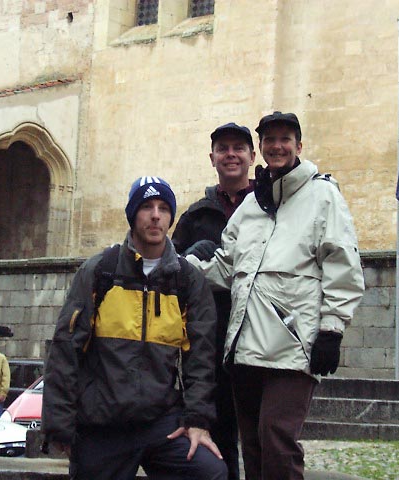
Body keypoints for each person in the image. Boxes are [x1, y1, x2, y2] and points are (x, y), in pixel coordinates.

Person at [186, 112, 365, 480]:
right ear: (262, 149)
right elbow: (226, 267)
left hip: (292, 347)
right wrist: (180, 268)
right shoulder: (252, 206)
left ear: (299, 146)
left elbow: (342, 262)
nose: (277, 146)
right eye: (270, 140)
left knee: (277, 436)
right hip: (246, 347)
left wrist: (332, 329)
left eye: (285, 139)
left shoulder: (323, 196)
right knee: (252, 445)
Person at [42, 176, 227, 480]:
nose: (156, 215)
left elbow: (200, 359)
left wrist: (197, 420)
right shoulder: (100, 270)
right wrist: (60, 425)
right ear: (132, 214)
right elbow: (65, 350)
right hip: (102, 426)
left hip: (161, 424)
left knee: (210, 473)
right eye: (146, 207)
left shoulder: (187, 280)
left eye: (164, 208)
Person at [172, 122, 256, 480]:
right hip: (212, 337)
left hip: (260, 332)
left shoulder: (269, 206)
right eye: (223, 148)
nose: (231, 154)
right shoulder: (195, 215)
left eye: (239, 148)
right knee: (219, 430)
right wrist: (192, 255)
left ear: (252, 156)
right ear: (212, 158)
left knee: (261, 432)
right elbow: (172, 272)